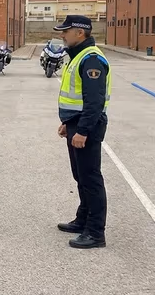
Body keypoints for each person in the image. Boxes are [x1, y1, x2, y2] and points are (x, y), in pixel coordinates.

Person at [54, 15, 110, 249]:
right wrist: (69, 123)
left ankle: (96, 233)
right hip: (77, 125)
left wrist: (83, 130)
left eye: (65, 31)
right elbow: (76, 98)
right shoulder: (78, 57)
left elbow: (94, 102)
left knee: (91, 178)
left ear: (80, 32)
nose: (62, 35)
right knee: (81, 177)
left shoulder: (92, 59)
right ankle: (83, 219)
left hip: (89, 127)